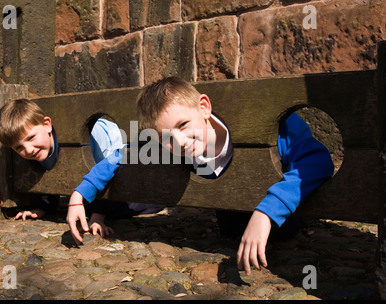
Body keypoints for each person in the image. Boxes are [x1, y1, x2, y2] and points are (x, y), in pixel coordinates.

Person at [136, 76, 335, 275]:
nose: (179, 141)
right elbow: (127, 153)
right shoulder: (177, 153)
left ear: (204, 107)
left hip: (284, 222)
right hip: (231, 228)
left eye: (183, 125)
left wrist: (266, 212)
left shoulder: (272, 124)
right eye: (166, 138)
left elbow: (318, 161)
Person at [66, 116, 164, 244]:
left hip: (139, 185)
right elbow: (111, 164)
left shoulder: (103, 138)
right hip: (117, 178)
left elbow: (114, 168)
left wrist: (97, 216)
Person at [0, 99, 60, 221]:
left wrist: (98, 215)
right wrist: (43, 208)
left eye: (31, 138)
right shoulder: (37, 154)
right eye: (19, 147)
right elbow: (50, 181)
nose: (29, 150)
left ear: (47, 125)